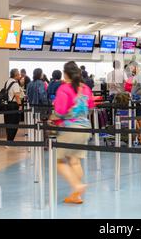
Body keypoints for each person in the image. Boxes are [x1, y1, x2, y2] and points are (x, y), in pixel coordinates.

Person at [50, 61, 95, 204]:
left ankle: (77, 186)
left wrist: (51, 118)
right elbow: (91, 107)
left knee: (59, 161)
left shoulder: (64, 89)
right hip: (85, 128)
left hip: (70, 129)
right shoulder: (86, 88)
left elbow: (60, 112)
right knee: (75, 161)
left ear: (65, 74)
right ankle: (76, 195)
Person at [3, 69, 23, 142]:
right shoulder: (15, 83)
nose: (20, 75)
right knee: (14, 123)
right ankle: (10, 140)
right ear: (16, 75)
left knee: (8, 122)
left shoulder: (7, 82)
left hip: (7, 105)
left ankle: (9, 139)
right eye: (19, 74)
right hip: (14, 105)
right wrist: (20, 105)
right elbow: (17, 96)